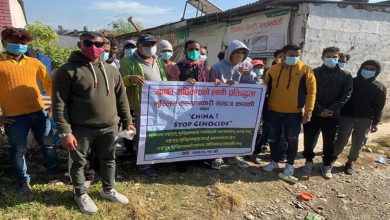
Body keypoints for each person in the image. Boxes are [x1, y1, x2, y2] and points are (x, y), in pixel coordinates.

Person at [52, 32, 135, 214]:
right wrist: (65, 131)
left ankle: (108, 189)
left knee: (108, 159)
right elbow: (59, 103)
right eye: (89, 43)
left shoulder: (112, 70)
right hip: (81, 128)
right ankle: (80, 193)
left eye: (99, 44)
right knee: (78, 162)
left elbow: (121, 99)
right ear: (80, 44)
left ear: (105, 45)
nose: (94, 47)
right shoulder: (67, 70)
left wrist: (127, 121)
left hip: (110, 127)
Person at [0, 27, 61, 196]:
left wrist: (54, 105)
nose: (19, 45)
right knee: (18, 150)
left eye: (23, 42)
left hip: (39, 113)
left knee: (48, 144)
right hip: (13, 118)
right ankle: (24, 182)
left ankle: (55, 173)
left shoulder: (35, 63)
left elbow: (49, 84)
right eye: (15, 42)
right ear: (4, 42)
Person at [262, 44, 316, 183]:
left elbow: (311, 93)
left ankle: (290, 165)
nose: (294, 57)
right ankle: (273, 161)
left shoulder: (305, 70)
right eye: (291, 54)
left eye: (297, 54)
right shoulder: (273, 69)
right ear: (284, 54)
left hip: (294, 113)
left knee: (292, 139)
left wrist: (308, 112)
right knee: (274, 137)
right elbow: (263, 88)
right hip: (274, 111)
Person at [119, 34, 168, 177]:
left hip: (159, 104)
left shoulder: (158, 61)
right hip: (142, 105)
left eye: (152, 44)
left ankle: (154, 159)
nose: (150, 47)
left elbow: (164, 78)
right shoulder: (128, 61)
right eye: (147, 45)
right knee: (143, 135)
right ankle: (144, 166)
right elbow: (119, 82)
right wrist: (130, 79)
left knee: (156, 134)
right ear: (139, 46)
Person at [302, 47, 353, 179]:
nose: (332, 59)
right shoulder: (314, 73)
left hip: (332, 115)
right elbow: (309, 92)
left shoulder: (345, 75)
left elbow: (346, 95)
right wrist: (319, 110)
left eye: (335, 57)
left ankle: (326, 164)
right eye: (329, 56)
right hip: (314, 113)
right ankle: (308, 161)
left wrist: (330, 110)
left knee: (329, 142)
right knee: (309, 140)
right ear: (322, 57)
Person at [208, 39, 256, 170]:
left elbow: (254, 87)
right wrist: (220, 85)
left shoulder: (247, 66)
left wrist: (249, 75)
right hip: (221, 106)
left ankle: (235, 155)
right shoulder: (217, 67)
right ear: (229, 52)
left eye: (242, 52)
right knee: (219, 131)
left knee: (236, 130)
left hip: (239, 107)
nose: (240, 55)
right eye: (237, 52)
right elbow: (209, 89)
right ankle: (216, 156)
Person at [333, 60, 386, 175]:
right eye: (366, 68)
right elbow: (341, 98)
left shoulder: (379, 87)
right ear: (361, 68)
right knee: (341, 139)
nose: (368, 70)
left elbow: (379, 106)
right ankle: (332, 157)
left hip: (365, 119)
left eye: (372, 69)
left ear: (377, 71)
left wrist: (376, 122)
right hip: (347, 116)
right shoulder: (351, 82)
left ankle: (350, 162)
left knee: (358, 142)